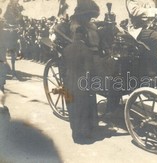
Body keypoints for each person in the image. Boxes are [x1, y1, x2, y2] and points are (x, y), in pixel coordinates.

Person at [63, 0, 100, 144]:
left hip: (70, 79)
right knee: (84, 104)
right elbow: (88, 69)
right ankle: (86, 131)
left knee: (74, 106)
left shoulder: (89, 25)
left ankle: (77, 132)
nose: (89, 18)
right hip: (83, 70)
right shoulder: (75, 25)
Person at [3, 0, 24, 78]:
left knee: (14, 49)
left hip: (14, 30)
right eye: (15, 1)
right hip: (7, 29)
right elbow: (5, 19)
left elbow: (20, 20)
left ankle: (13, 69)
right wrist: (9, 25)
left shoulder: (17, 9)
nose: (17, 2)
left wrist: (20, 26)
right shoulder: (8, 8)